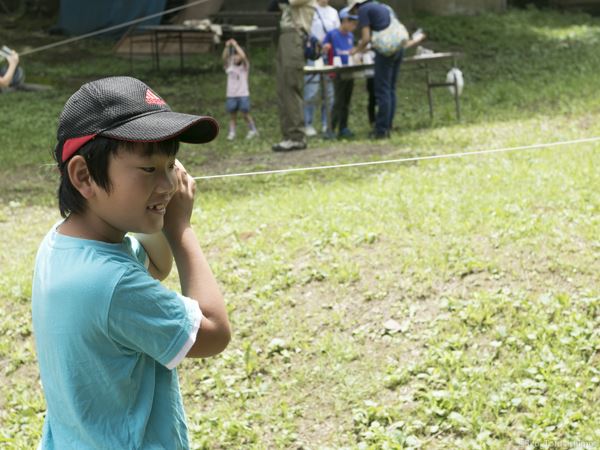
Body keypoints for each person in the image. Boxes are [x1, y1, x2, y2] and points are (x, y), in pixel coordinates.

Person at [31, 76, 231, 449]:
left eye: (171, 164)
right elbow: (215, 332)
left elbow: (155, 266)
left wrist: (157, 205)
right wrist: (181, 229)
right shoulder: (111, 283)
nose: (169, 182)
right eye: (148, 169)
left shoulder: (65, 244)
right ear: (84, 175)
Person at [349, 0, 425, 138]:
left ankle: (381, 130)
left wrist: (356, 50)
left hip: (386, 51)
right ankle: (387, 125)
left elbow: (366, 38)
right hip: (398, 48)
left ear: (355, 5)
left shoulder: (364, 10)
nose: (355, 14)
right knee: (390, 89)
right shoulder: (382, 6)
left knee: (382, 90)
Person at [269, 0, 317, 152]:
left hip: (294, 36)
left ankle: (297, 137)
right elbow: (271, 7)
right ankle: (288, 136)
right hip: (284, 36)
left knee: (291, 86)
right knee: (282, 89)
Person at [303, 0, 339, 137]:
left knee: (329, 91)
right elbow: (305, 31)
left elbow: (336, 32)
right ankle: (308, 123)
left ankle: (327, 123)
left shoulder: (333, 12)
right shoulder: (309, 9)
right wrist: (318, 44)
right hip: (314, 54)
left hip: (328, 55)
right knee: (311, 89)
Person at [322, 7, 358, 139]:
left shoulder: (350, 36)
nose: (354, 26)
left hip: (349, 70)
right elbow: (323, 47)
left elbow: (351, 50)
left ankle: (343, 127)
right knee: (338, 101)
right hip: (337, 72)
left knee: (346, 101)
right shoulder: (332, 34)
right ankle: (330, 129)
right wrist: (325, 48)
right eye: (352, 23)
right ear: (344, 21)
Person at [222, 38, 258, 141]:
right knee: (232, 115)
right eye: (234, 54)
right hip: (231, 95)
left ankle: (253, 130)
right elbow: (224, 57)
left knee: (245, 114)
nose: (236, 57)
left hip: (243, 94)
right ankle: (232, 132)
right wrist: (227, 46)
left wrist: (236, 45)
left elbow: (243, 56)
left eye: (237, 54)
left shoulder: (245, 66)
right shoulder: (229, 65)